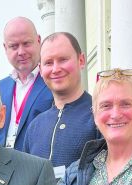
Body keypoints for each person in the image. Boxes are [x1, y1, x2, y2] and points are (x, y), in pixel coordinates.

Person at [23, 32, 101, 169]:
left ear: (81, 60)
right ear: (40, 69)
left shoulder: (100, 117)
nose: (56, 69)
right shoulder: (34, 126)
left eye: (63, 59)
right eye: (48, 63)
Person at [0, 17, 53, 150]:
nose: (21, 52)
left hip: (37, 167)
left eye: (26, 43)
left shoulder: (53, 82)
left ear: (39, 41)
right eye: (14, 46)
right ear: (5, 48)